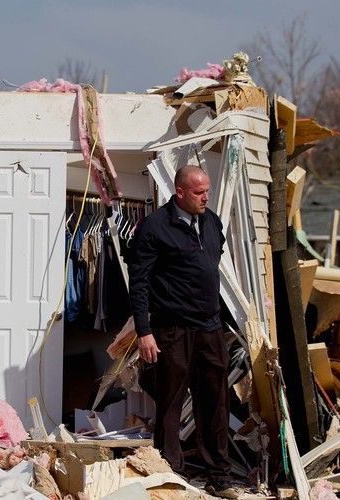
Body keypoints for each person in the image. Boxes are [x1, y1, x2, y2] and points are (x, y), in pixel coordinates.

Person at [128, 164, 235, 497]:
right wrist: (144, 332)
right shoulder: (154, 228)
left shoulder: (212, 222)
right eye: (200, 192)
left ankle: (219, 474)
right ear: (180, 192)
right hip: (172, 330)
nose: (206, 197)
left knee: (215, 400)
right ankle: (170, 475)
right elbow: (139, 283)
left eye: (208, 191)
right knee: (171, 402)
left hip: (209, 327)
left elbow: (211, 268)